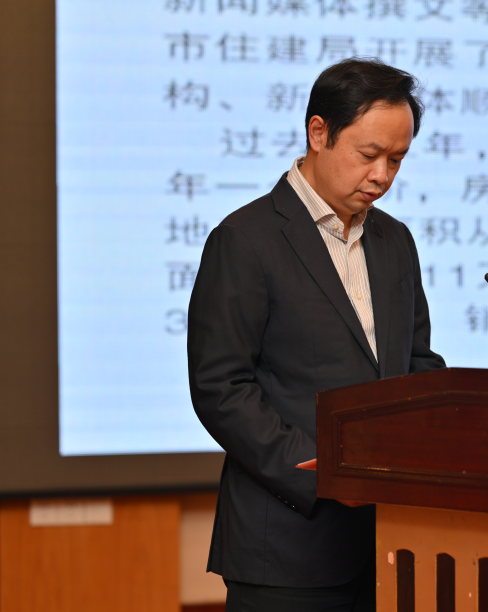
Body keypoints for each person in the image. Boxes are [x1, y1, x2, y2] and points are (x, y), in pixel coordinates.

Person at [187, 58, 446, 612]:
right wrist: (328, 473)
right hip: (286, 549)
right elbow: (221, 389)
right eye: (369, 155)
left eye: (397, 159)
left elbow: (417, 362)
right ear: (319, 132)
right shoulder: (245, 239)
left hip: (392, 545)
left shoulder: (395, 241)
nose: (383, 176)